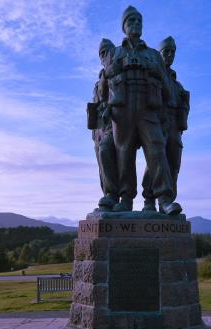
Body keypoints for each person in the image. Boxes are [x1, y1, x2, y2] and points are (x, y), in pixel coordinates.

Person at [105, 6, 181, 215]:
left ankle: (164, 199)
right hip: (123, 108)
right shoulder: (115, 52)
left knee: (157, 148)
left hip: (149, 108)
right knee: (124, 153)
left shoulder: (154, 55)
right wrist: (122, 64)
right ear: (124, 27)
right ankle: (125, 199)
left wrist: (154, 68)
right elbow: (107, 81)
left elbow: (167, 87)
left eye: (139, 21)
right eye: (131, 21)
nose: (136, 24)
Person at [142, 36, 189, 212]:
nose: (169, 55)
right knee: (155, 160)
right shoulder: (152, 75)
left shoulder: (177, 83)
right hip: (157, 121)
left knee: (173, 164)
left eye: (172, 52)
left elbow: (182, 103)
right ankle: (149, 200)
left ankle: (168, 202)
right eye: (166, 51)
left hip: (174, 125)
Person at [88, 38, 120, 210]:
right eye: (102, 53)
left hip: (115, 122)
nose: (105, 55)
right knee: (102, 162)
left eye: (107, 51)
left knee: (106, 151)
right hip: (99, 128)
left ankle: (112, 194)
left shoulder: (116, 73)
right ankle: (108, 197)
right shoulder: (100, 78)